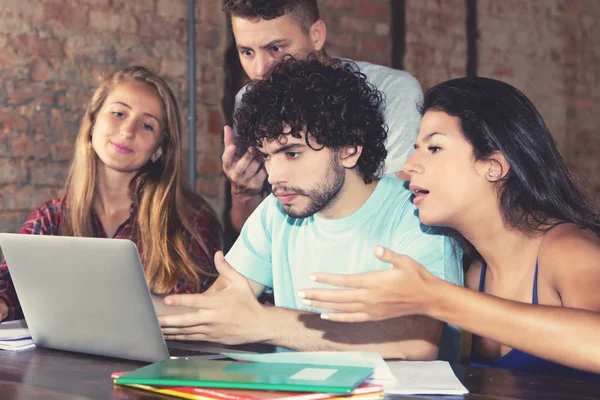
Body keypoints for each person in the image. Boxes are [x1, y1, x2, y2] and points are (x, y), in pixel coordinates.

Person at [158, 56, 462, 360]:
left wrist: (268, 323)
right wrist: (128, 314)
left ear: (349, 148)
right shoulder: (276, 212)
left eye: (292, 153)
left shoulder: (415, 214)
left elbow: (417, 343)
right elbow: (216, 311)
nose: (275, 177)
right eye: (267, 156)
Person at [298, 77, 600, 378]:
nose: (410, 165)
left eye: (434, 148)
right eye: (417, 148)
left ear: (493, 165)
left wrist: (439, 299)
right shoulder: (476, 272)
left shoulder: (569, 250)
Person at [0, 66, 223, 322]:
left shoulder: (190, 220)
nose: (128, 130)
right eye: (119, 113)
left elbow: (204, 311)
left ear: (158, 150)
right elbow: (9, 283)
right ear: (93, 122)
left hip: (162, 362)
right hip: (63, 361)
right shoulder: (50, 218)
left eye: (147, 125)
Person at [221, 0, 423, 233]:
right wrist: (244, 192)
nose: (260, 70)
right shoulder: (248, 99)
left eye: (275, 48)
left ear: (316, 35)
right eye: (247, 52)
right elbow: (250, 236)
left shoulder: (392, 91)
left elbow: (401, 210)